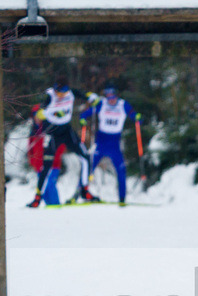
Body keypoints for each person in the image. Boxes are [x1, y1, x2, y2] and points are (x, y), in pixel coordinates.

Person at [27, 76, 101, 207]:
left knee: (85, 157)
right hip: (52, 132)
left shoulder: (70, 92)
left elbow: (83, 94)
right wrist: (41, 113)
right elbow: (40, 111)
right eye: (58, 92)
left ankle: (84, 190)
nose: (60, 95)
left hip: (67, 131)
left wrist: (92, 97)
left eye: (63, 92)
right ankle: (38, 197)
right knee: (47, 165)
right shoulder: (50, 95)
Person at [78, 81, 140, 207]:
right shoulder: (101, 104)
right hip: (101, 141)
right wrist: (83, 118)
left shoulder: (123, 104)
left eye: (112, 96)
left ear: (116, 95)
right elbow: (85, 114)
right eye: (108, 96)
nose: (110, 99)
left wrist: (137, 117)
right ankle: (79, 194)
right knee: (89, 167)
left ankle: (122, 198)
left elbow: (134, 115)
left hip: (115, 143)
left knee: (121, 170)